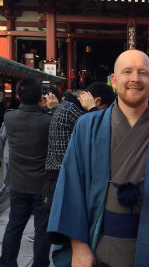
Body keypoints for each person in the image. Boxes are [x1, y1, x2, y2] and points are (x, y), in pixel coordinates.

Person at [47, 50, 149, 267]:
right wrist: (79, 247)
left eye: (142, 73)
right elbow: (71, 188)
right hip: (99, 247)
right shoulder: (87, 126)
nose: (135, 79)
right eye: (127, 72)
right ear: (114, 80)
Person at [0, 78, 59, 267]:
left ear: (17, 95)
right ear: (41, 96)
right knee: (42, 229)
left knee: (14, 226)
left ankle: (7, 263)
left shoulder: (9, 117)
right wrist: (53, 108)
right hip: (41, 184)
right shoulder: (48, 120)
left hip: (17, 182)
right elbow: (59, 129)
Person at [43, 82, 116, 216]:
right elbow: (101, 136)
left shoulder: (67, 106)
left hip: (57, 178)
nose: (102, 113)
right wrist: (93, 109)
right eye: (103, 108)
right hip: (62, 180)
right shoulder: (74, 111)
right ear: (97, 100)